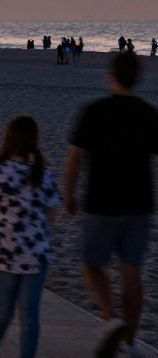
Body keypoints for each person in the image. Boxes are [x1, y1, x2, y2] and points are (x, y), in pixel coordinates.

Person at [64, 51, 158, 357]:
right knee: (132, 271)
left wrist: (68, 192)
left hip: (101, 202)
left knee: (92, 266)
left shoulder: (94, 111)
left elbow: (75, 158)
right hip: (139, 202)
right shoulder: (148, 113)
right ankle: (129, 343)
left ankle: (112, 318)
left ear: (110, 76)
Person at [0, 115, 61, 358]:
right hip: (35, 257)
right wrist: (38, 233)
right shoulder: (43, 175)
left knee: (2, 312)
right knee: (29, 315)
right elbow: (52, 213)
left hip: (3, 254)